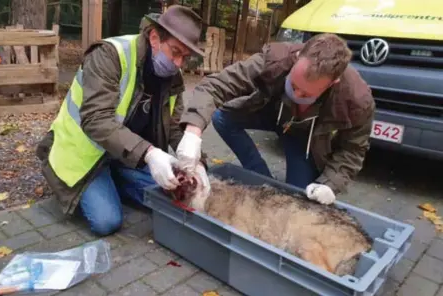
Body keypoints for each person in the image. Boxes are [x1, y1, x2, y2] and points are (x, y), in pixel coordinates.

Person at [36, 5, 210, 236]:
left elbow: (174, 126)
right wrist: (150, 154)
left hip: (126, 154)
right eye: (175, 52)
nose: (178, 64)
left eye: (185, 58)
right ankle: (73, 178)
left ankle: (117, 178)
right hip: (84, 155)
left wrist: (196, 163)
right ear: (155, 38)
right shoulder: (109, 55)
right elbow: (96, 119)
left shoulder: (171, 76)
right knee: (106, 221)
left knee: (177, 194)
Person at [175, 33, 375, 205]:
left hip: (304, 136)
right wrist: (193, 132)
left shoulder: (357, 100)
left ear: (333, 83)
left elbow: (353, 150)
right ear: (298, 58)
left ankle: (282, 184)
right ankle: (261, 178)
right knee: (222, 116)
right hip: (273, 113)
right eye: (293, 84)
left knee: (298, 199)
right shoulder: (275, 59)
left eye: (306, 94)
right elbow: (215, 85)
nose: (296, 93)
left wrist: (330, 184)